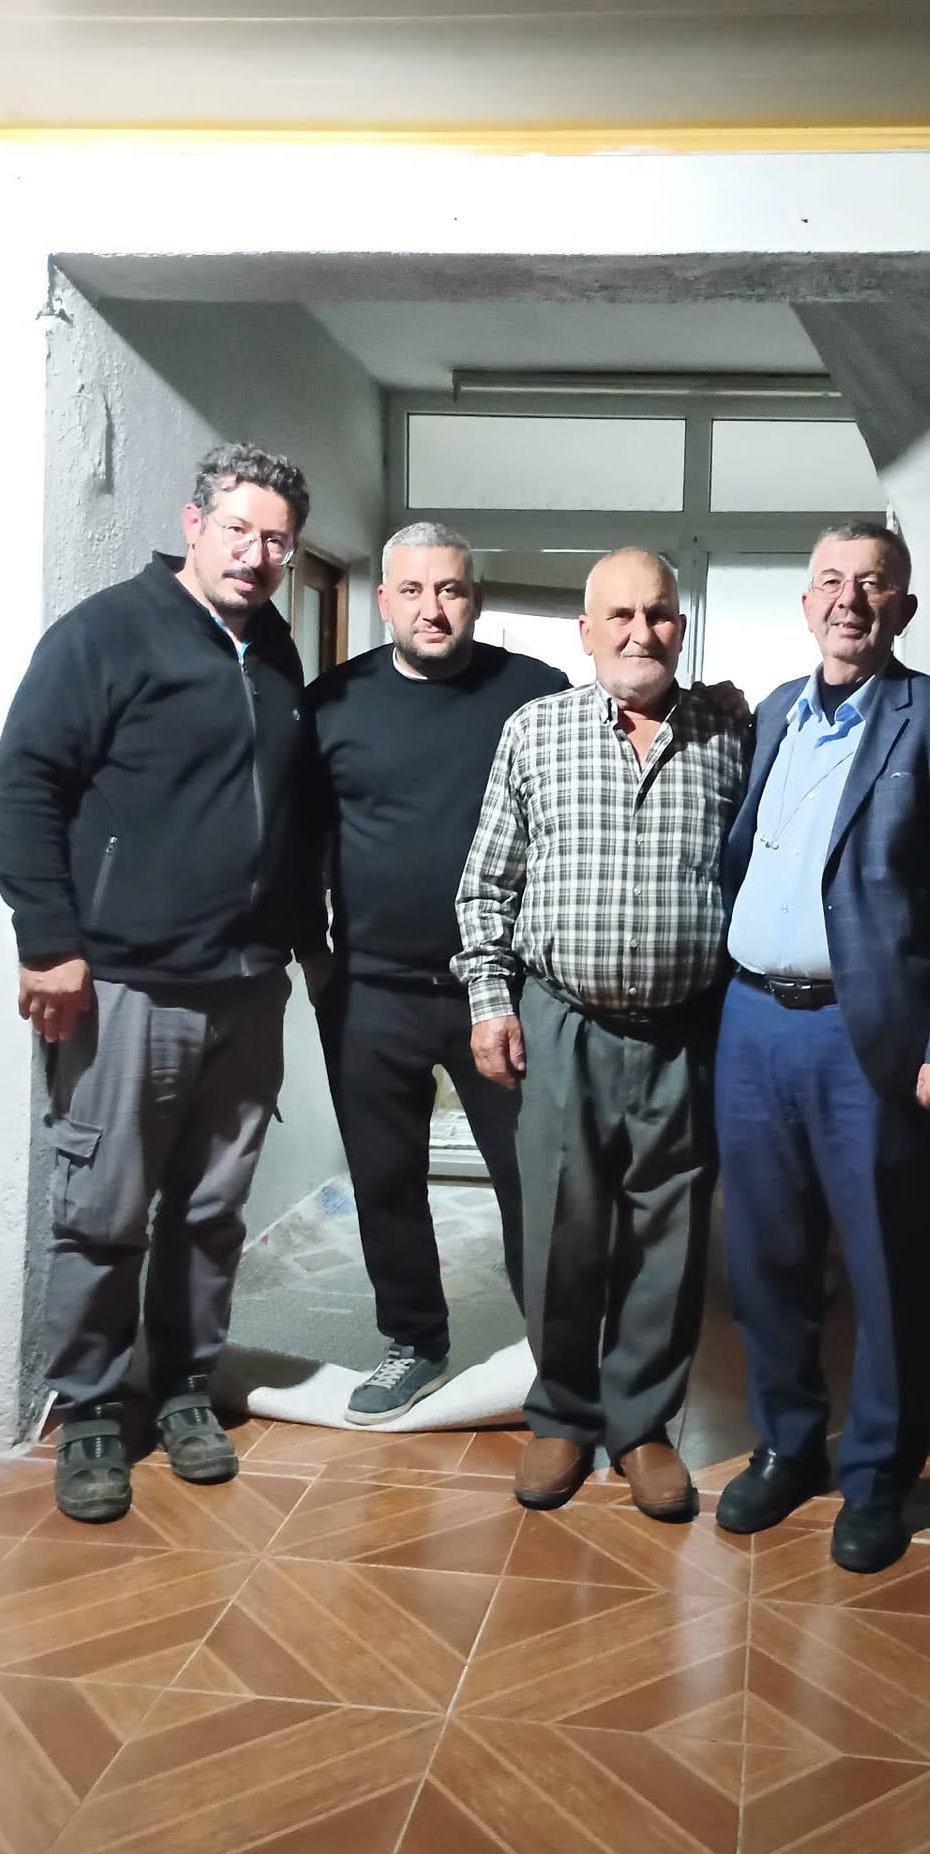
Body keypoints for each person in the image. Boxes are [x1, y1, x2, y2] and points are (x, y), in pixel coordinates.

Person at [0, 443, 317, 1523]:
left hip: (247, 986)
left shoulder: (275, 649)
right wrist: (49, 942)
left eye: (277, 541)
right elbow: (22, 787)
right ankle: (89, 1407)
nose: (256, 555)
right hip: (127, 983)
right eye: (239, 530)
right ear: (194, 522)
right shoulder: (107, 633)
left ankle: (180, 1387)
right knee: (103, 1209)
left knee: (212, 1211)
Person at [712, 521, 930, 1574]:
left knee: (885, 1269)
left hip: (869, 1038)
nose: (850, 599)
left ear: (902, 608)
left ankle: (879, 1479)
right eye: (831, 582)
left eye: (873, 583)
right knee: (765, 1262)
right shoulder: (774, 716)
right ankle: (788, 1446)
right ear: (806, 605)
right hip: (751, 1023)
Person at [454, 549, 747, 1519]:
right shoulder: (535, 731)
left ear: (681, 627)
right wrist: (490, 1001)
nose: (639, 632)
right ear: (585, 632)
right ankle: (562, 1415)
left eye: (657, 614)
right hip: (562, 1022)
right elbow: (486, 885)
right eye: (618, 615)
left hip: (684, 1032)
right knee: (560, 1230)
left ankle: (643, 1426)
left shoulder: (732, 737)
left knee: (671, 1237)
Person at [301, 524, 565, 1422]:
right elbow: (300, 835)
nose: (433, 609)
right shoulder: (334, 701)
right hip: (370, 989)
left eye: (450, 590)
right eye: (412, 591)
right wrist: (312, 954)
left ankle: (558, 1352)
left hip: (500, 991)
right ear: (384, 600)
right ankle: (414, 1340)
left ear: (475, 597)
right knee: (385, 1178)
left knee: (532, 1179)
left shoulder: (535, 692)